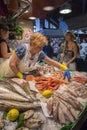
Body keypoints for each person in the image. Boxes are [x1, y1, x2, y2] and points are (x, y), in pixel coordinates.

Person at [0, 32, 70, 81]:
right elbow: (12, 64)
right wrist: (21, 76)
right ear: (33, 45)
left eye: (42, 47)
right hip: (5, 72)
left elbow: (50, 61)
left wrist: (64, 67)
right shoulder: (23, 48)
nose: (41, 49)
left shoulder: (39, 53)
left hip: (15, 75)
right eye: (39, 47)